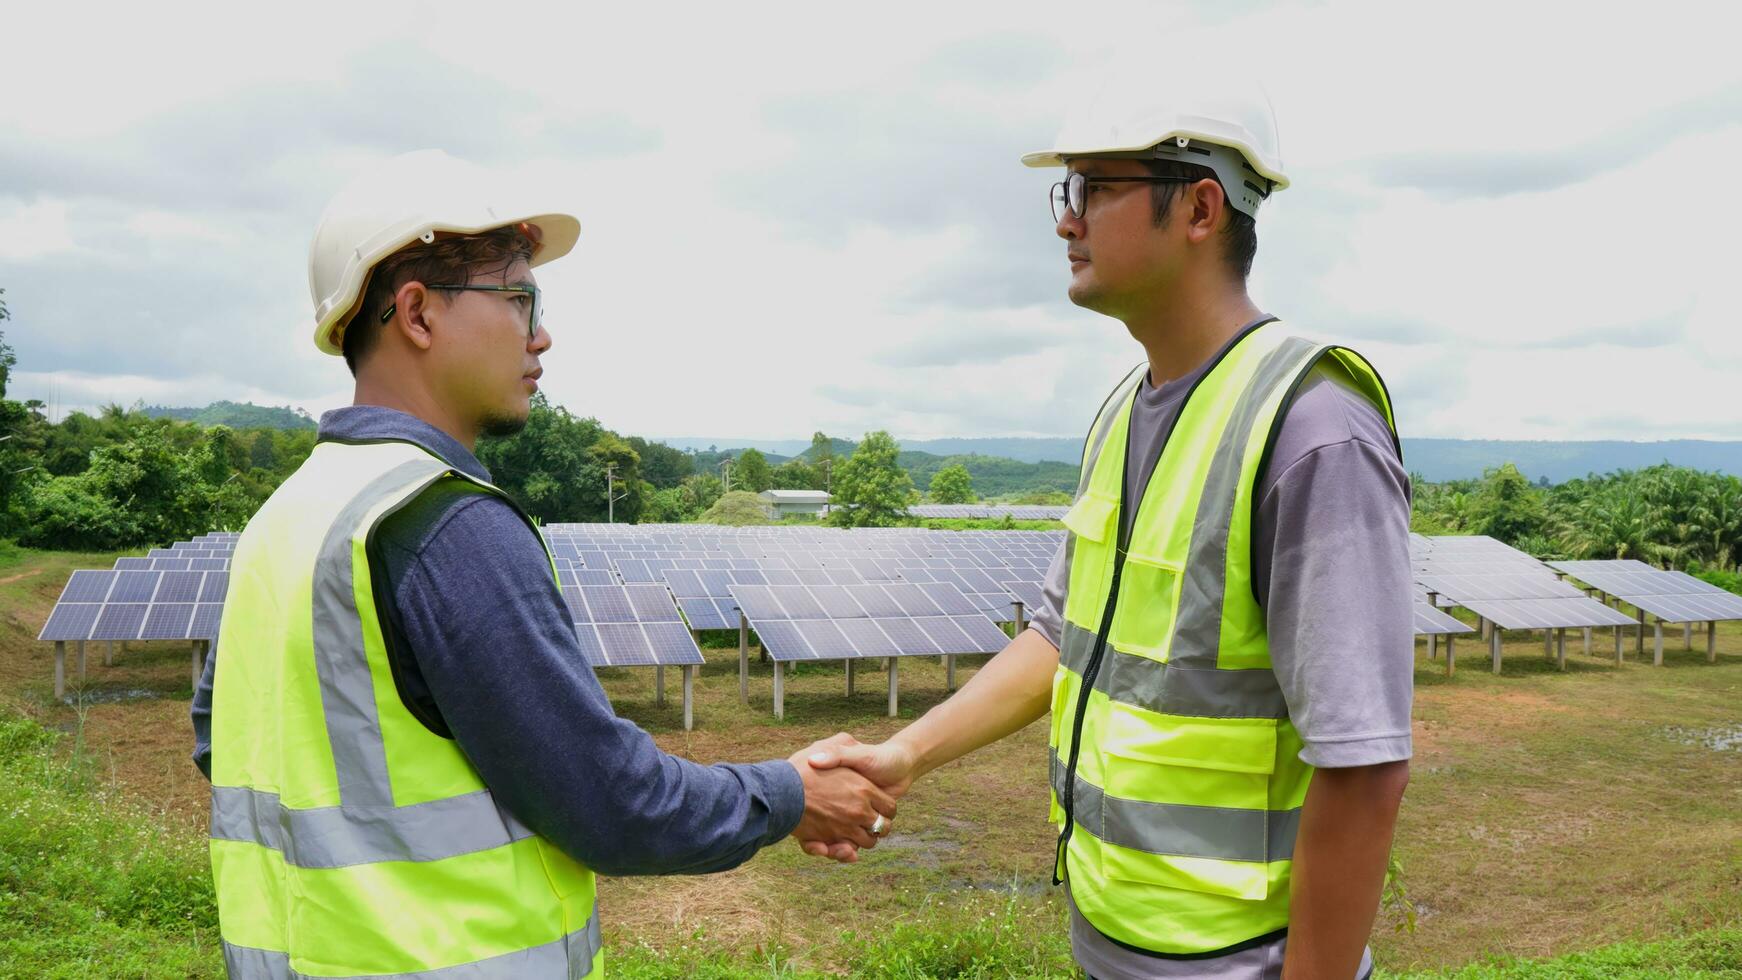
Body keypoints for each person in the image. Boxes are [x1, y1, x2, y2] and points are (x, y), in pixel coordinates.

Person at [190, 149, 894, 979]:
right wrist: (790, 794)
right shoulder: (447, 527)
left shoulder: (290, 514)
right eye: (520, 296)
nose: (542, 333)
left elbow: (222, 740)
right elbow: (608, 801)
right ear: (416, 313)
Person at [806, 72, 1414, 979]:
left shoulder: (1312, 430)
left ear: (1201, 208)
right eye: (1069, 190)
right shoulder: (1127, 411)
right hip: (1112, 943)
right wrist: (904, 754)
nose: (1066, 219)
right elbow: (1064, 638)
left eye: (1096, 187)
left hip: (1239, 961)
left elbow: (1362, 764)